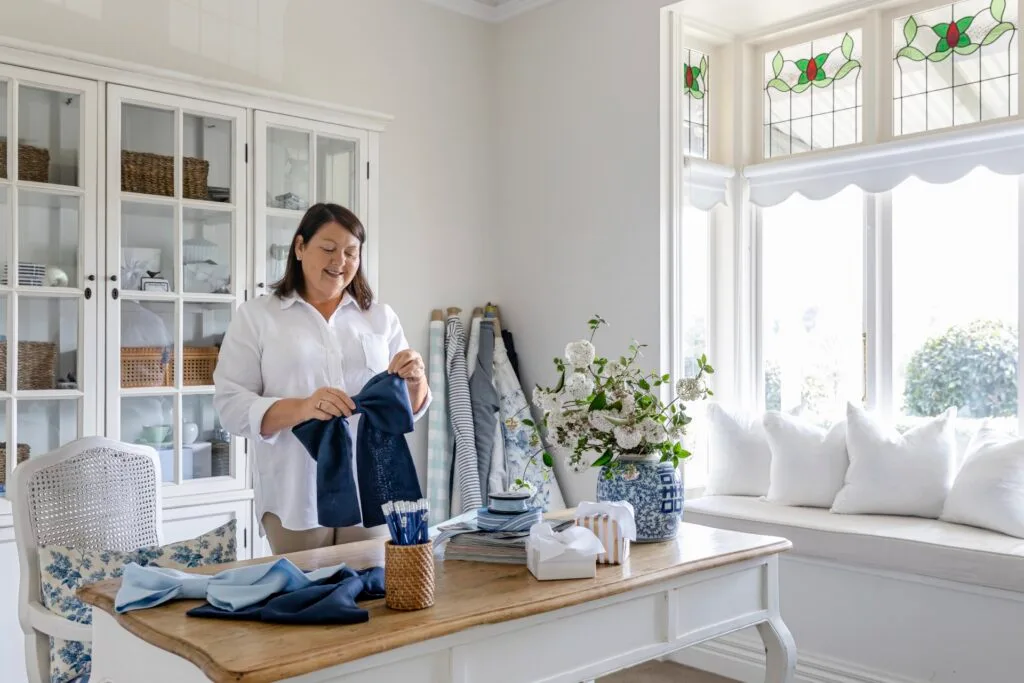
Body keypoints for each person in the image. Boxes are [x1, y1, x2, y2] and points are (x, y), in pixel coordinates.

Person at [213, 203, 429, 554]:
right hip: (295, 492)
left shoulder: (380, 318)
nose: (339, 261)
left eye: (351, 252)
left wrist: (416, 380)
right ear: (299, 248)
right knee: (308, 599)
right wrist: (304, 407)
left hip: (370, 488)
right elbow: (231, 406)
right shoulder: (257, 317)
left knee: (373, 597)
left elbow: (406, 409)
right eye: (328, 249)